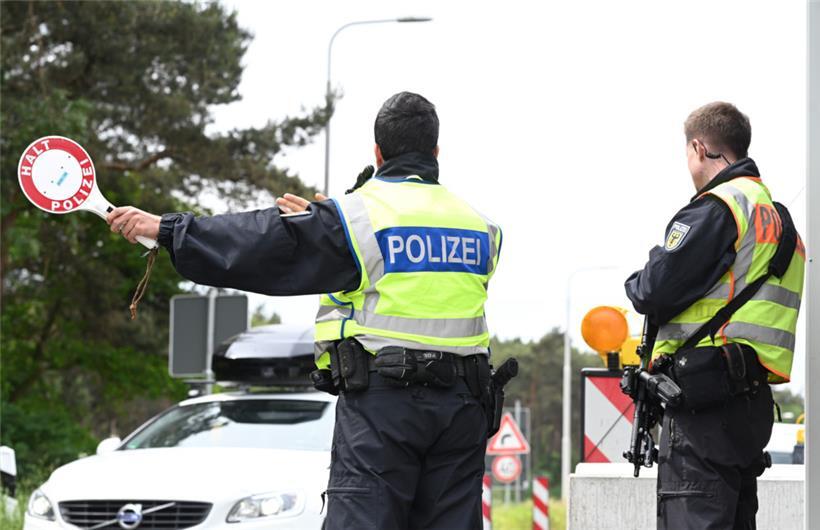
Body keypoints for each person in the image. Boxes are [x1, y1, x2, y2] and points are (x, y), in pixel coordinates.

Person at [107, 91, 503, 530]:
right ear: (436, 151)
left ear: (378, 152)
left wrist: (168, 229)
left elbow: (259, 244)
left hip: (384, 409)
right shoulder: (481, 227)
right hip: (464, 408)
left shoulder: (355, 218)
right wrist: (320, 225)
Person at [625, 101, 805, 529]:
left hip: (703, 406)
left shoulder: (720, 207)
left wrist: (642, 274)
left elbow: (653, 289)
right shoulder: (778, 220)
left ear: (699, 147)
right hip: (750, 405)